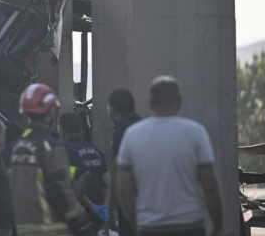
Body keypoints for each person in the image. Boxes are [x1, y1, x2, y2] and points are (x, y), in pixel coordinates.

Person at [117, 76, 223, 236]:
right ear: (179, 101)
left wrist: (137, 224)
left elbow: (124, 190)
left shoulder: (132, 135)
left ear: (151, 103)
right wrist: (218, 227)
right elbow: (211, 187)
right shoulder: (196, 132)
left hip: (149, 228)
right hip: (189, 227)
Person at [4, 83, 93, 236]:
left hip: (19, 230)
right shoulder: (51, 147)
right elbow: (59, 188)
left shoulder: (10, 150)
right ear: (52, 111)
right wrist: (79, 218)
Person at [60, 112, 111, 231]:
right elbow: (108, 184)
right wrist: (104, 208)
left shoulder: (65, 151)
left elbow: (72, 184)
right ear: (81, 128)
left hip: (77, 218)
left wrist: (92, 207)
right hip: (97, 220)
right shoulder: (96, 151)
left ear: (61, 130)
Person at [107, 88, 141, 235]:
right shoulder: (144, 126)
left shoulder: (120, 132)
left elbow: (117, 171)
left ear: (113, 111)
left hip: (129, 201)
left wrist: (113, 207)